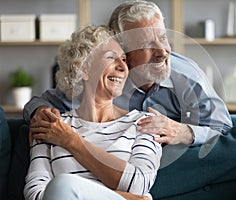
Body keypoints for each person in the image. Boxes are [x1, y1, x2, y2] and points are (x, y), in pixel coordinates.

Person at [23, 0, 232, 152]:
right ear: (123, 51)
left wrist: (182, 132)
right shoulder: (103, 81)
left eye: (162, 38)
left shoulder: (186, 75)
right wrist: (40, 112)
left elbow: (223, 128)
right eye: (147, 45)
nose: (162, 52)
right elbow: (39, 102)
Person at [24, 25, 162, 200]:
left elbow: (138, 184)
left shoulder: (144, 123)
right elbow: (35, 193)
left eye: (124, 60)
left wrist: (71, 140)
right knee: (61, 186)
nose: (122, 67)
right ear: (84, 69)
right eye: (111, 58)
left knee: (62, 184)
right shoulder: (51, 126)